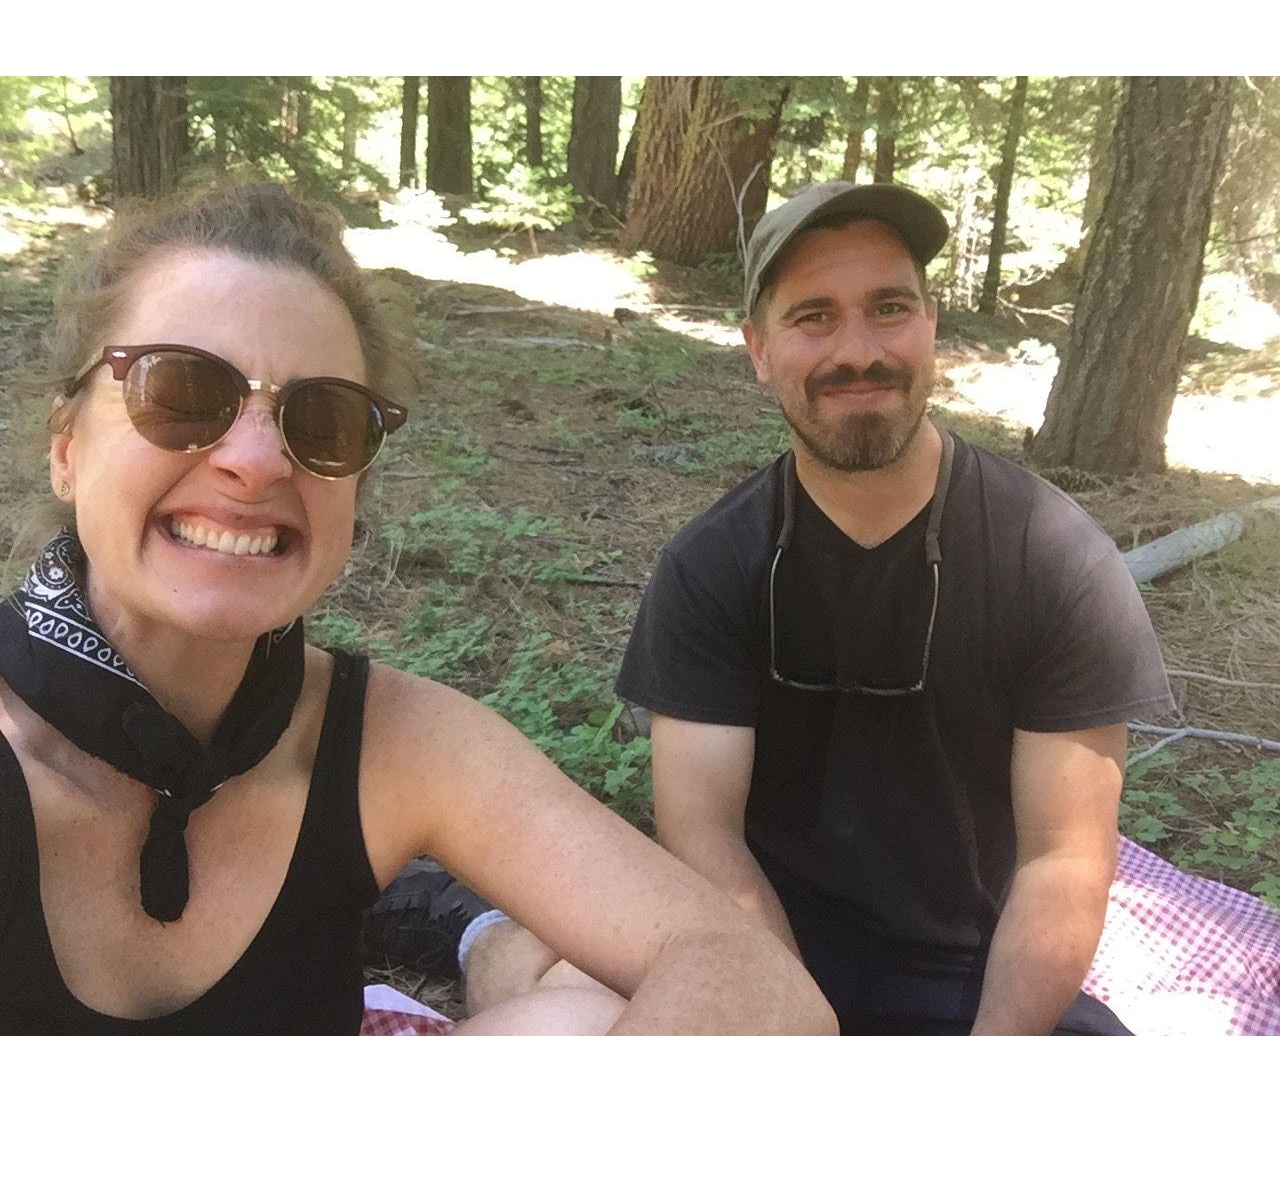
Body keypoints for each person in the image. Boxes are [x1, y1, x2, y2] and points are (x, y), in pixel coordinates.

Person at [0, 181, 836, 1036]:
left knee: (577, 1025)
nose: (257, 461)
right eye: (179, 393)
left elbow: (757, 978)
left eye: (322, 421)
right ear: (67, 450)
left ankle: (475, 936)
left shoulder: (383, 740)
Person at [464, 181, 1176, 1035]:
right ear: (759, 350)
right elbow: (705, 837)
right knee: (552, 1018)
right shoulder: (712, 565)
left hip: (972, 969)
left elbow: (1065, 859)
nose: (858, 351)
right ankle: (476, 928)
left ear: (931, 325)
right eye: (814, 317)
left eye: (889, 308)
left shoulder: (1054, 559)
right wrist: (799, 1035)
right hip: (760, 936)